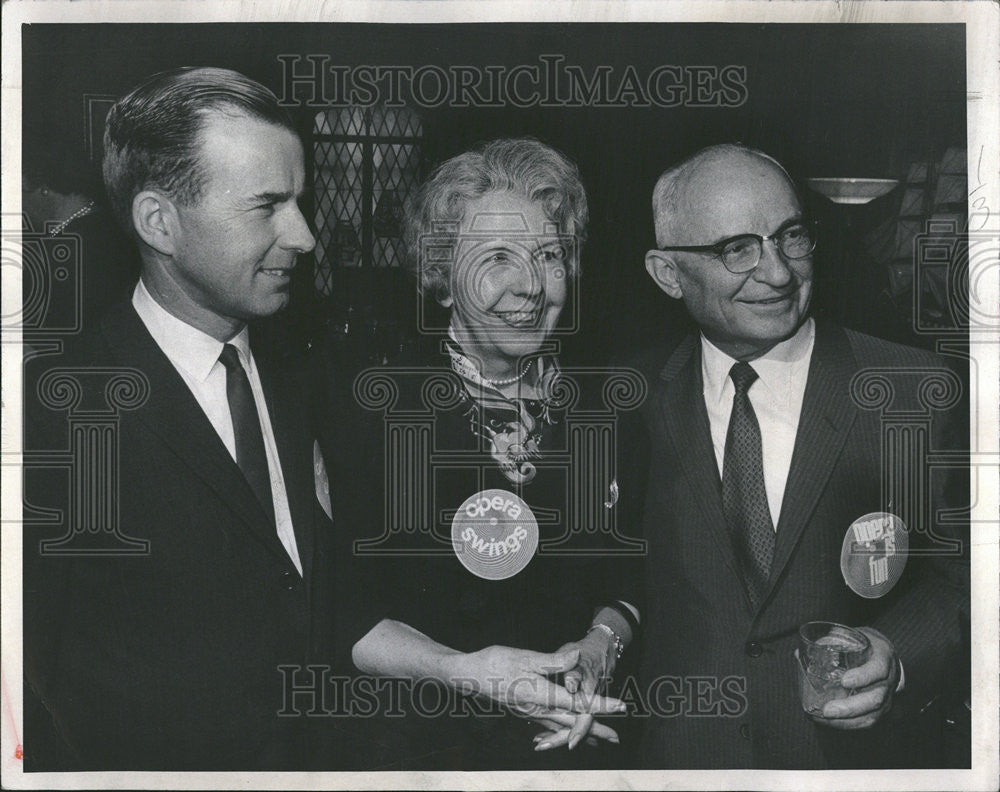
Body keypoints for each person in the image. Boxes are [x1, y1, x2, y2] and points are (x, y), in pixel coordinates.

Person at [23, 67, 368, 770]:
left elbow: (316, 604)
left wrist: (462, 667)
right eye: (267, 205)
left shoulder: (307, 373)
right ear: (160, 222)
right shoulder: (53, 414)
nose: (303, 237)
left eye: (300, 201)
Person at [634, 143, 969, 768]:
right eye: (736, 249)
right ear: (667, 273)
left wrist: (897, 656)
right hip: (681, 762)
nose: (780, 273)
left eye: (792, 237)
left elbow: (962, 580)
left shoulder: (911, 391)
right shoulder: (634, 395)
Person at [323, 138, 642, 769]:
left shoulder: (612, 409)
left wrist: (602, 642)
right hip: (421, 753)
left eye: (548, 255)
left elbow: (634, 576)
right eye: (496, 257)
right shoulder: (371, 412)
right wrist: (466, 673)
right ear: (441, 279)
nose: (529, 284)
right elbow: (339, 614)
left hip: (581, 749)